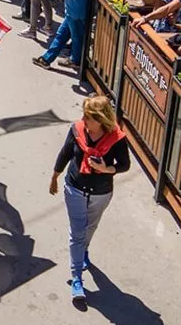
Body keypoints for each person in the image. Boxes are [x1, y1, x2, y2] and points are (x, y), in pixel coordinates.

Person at [49, 95, 130, 304]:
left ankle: (84, 250)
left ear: (101, 119)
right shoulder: (77, 130)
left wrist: (105, 168)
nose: (84, 121)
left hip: (101, 192)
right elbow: (66, 152)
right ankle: (77, 278)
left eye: (88, 118)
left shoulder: (117, 138)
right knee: (77, 232)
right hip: (75, 188)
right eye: (84, 116)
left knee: (90, 228)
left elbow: (124, 165)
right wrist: (55, 176)